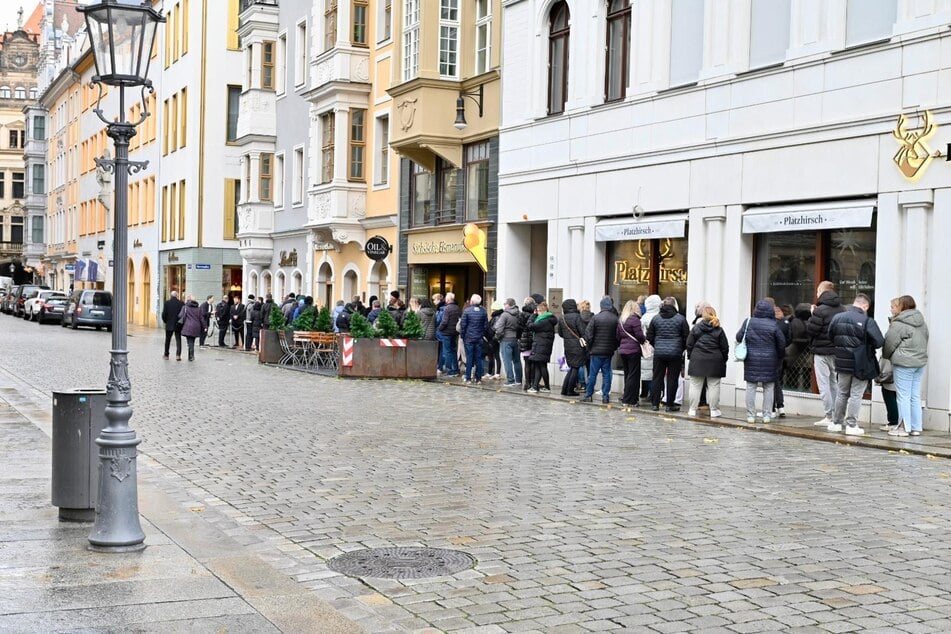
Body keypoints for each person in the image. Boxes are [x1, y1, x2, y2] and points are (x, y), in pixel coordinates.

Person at [827, 293, 884, 436]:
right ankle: (851, 425)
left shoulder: (837, 318)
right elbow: (879, 341)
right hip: (861, 363)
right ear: (865, 306)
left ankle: (836, 423)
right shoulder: (867, 321)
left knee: (842, 392)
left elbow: (831, 336)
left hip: (842, 361)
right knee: (856, 394)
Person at [883, 295, 929, 437]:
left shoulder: (899, 323)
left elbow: (889, 343)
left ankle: (903, 427)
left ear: (902, 307)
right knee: (914, 395)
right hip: (919, 363)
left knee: (903, 396)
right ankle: (916, 427)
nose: (892, 309)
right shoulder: (921, 322)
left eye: (894, 307)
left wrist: (887, 356)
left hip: (904, 363)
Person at [738, 299, 787, 424]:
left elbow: (738, 337)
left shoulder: (748, 322)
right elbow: (781, 343)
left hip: (751, 359)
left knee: (750, 387)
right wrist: (779, 356)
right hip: (770, 359)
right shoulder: (773, 324)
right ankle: (766, 415)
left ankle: (750, 415)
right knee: (769, 387)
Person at [806, 281, 846, 426]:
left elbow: (811, 330)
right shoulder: (842, 309)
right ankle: (837, 415)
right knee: (834, 383)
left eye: (817, 291)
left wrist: (812, 315)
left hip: (821, 352)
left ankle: (829, 415)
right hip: (837, 351)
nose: (816, 294)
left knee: (823, 384)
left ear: (822, 292)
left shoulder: (820, 310)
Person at [686, 305, 729, 417]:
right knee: (714, 385)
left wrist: (691, 357)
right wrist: (724, 359)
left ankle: (692, 409)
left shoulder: (696, 328)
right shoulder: (719, 330)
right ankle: (714, 410)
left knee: (695, 385)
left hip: (697, 360)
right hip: (715, 360)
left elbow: (689, 344)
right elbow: (725, 347)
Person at [647, 297, 689, 412]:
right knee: (672, 379)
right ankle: (669, 404)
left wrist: (657, 345)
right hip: (675, 353)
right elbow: (687, 337)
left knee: (657, 378)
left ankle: (655, 404)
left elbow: (649, 336)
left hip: (659, 353)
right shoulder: (681, 319)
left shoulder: (655, 319)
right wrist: (681, 348)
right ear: (674, 306)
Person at [583, 297, 620, 404]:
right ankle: (605, 396)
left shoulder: (595, 318)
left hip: (595, 351)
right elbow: (618, 336)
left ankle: (588, 395)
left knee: (593, 374)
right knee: (607, 374)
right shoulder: (615, 319)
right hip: (608, 351)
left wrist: (589, 348)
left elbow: (588, 335)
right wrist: (614, 347)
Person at [616, 299, 646, 407]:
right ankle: (630, 400)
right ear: (634, 308)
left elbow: (618, 336)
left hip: (623, 350)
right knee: (633, 375)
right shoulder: (635, 319)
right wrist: (644, 340)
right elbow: (639, 336)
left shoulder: (621, 320)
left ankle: (627, 397)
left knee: (627, 374)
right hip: (633, 350)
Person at [558, 299, 588, 396]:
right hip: (577, 347)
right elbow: (582, 332)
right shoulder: (577, 317)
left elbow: (560, 333)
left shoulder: (562, 318)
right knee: (575, 368)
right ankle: (570, 390)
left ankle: (564, 390)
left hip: (568, 346)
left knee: (572, 367)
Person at [525, 301, 556, 392]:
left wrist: (532, 316)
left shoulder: (544, 320)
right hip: (543, 345)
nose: (537, 312)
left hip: (541, 345)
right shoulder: (548, 319)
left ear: (542, 311)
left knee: (541, 366)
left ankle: (537, 387)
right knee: (541, 365)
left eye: (538, 311)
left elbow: (530, 326)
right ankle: (544, 386)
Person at [769, 299, 791, 418]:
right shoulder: (786, 323)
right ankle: (780, 407)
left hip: (772, 355)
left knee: (771, 382)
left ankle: (772, 408)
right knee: (777, 382)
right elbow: (789, 339)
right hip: (781, 356)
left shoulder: (774, 325)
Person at [459, 294, 488, 384]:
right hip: (479, 338)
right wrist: (481, 334)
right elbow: (485, 326)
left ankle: (468, 377)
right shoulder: (483, 311)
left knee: (469, 358)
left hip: (469, 338)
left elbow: (463, 325)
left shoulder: (467, 311)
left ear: (471, 301)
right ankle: (478, 378)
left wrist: (463, 336)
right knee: (478, 358)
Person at [495, 298, 523, 387]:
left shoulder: (505, 315)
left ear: (509, 305)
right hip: (516, 339)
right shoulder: (519, 313)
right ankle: (518, 380)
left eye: (505, 304)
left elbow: (499, 329)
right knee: (517, 360)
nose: (504, 305)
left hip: (506, 339)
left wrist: (498, 337)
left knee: (507, 361)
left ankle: (510, 380)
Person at [640, 295, 662, 400]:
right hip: (657, 346)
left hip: (646, 348)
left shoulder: (644, 317)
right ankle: (654, 394)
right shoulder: (659, 316)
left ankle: (645, 392)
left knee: (646, 370)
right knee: (656, 372)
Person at [437, 292, 461, 376]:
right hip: (455, 332)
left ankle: (449, 370)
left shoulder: (447, 308)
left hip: (446, 333)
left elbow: (444, 321)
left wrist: (439, 329)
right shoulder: (457, 308)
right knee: (454, 351)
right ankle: (456, 369)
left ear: (447, 300)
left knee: (447, 352)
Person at [179, 294, 207, 361]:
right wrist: (205, 326)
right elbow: (201, 318)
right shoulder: (198, 308)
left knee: (190, 342)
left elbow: (180, 315)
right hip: (196, 327)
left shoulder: (185, 307)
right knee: (192, 341)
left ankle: (191, 356)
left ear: (188, 300)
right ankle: (191, 356)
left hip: (188, 326)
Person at [517, 297, 537, 390]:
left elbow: (518, 327)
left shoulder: (522, 314)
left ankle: (527, 383)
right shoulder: (536, 313)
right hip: (534, 339)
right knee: (533, 362)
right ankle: (533, 383)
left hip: (524, 340)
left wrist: (519, 338)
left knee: (527, 362)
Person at [161, 290, 184, 360]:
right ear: (177, 295)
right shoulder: (181, 303)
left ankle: (166, 355)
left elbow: (164, 314)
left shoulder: (167, 303)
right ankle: (178, 355)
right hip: (178, 324)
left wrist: (166, 321)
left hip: (169, 324)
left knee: (167, 340)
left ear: (171, 296)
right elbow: (183, 315)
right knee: (178, 340)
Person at [577, 299, 594, 389]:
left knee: (580, 364)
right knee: (589, 365)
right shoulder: (593, 317)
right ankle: (589, 385)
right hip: (590, 344)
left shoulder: (578, 317)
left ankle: (582, 383)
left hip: (580, 343)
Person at [485, 301, 503, 379]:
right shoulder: (499, 316)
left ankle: (494, 372)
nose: (491, 311)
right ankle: (494, 372)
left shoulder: (496, 317)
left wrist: (490, 336)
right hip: (494, 339)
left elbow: (494, 329)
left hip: (493, 339)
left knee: (494, 356)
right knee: (494, 356)